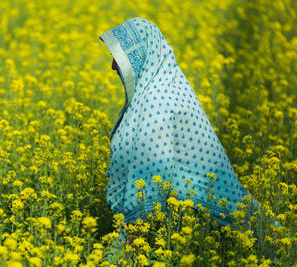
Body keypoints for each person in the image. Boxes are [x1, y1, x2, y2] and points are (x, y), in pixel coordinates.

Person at [99, 17, 266, 245]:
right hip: (198, 227)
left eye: (120, 58)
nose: (113, 66)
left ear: (141, 58)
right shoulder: (164, 88)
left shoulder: (157, 104)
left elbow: (149, 185)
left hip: (220, 232)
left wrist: (129, 247)